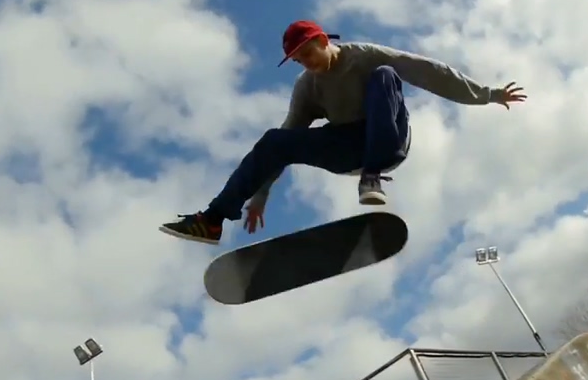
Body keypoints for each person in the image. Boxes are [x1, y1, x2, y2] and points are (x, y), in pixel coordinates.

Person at [159, 19, 527, 245]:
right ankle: (212, 221)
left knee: (385, 75)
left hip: (389, 138)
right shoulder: (307, 87)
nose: (307, 65)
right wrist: (260, 195)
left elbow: (429, 71)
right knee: (274, 139)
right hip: (345, 148)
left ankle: (372, 175)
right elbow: (284, 142)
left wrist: (488, 95)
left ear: (323, 40)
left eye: (308, 55)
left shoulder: (364, 55)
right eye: (299, 61)